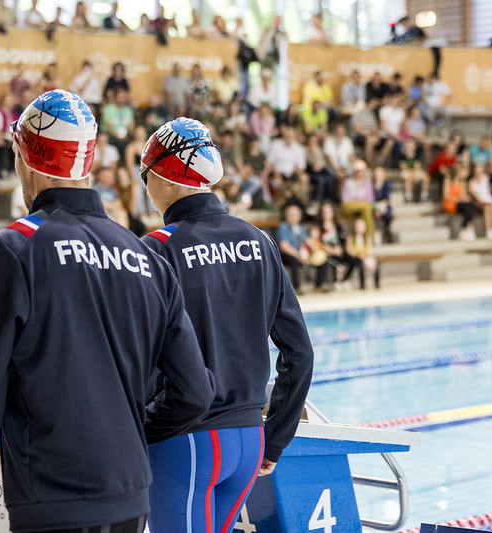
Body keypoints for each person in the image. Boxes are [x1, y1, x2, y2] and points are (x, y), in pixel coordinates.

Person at [0, 90, 214, 533]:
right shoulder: (146, 257)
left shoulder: (12, 252)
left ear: (24, 155)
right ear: (88, 162)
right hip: (131, 499)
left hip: (53, 502)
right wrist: (130, 433)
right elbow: (194, 391)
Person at [139, 118, 313, 531]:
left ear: (165, 175)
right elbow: (300, 352)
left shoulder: (158, 248)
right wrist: (277, 435)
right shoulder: (258, 240)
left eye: (145, 175)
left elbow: (134, 356)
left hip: (185, 442)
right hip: (250, 444)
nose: (145, 187)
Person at [341, 159, 376, 241]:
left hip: (362, 209)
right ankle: (371, 237)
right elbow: (346, 199)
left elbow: (371, 199)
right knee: (366, 207)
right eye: (357, 172)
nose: (359, 174)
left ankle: (366, 239)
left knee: (366, 210)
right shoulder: (348, 183)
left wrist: (359, 202)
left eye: (361, 172)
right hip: (349, 207)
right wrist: (360, 202)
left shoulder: (368, 184)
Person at [443, 164, 478, 241]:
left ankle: (465, 228)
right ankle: (467, 228)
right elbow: (446, 195)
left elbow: (462, 195)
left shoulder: (463, 182)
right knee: (469, 207)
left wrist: (466, 198)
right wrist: (459, 199)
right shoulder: (448, 179)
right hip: (450, 204)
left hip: (459, 203)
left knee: (471, 206)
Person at [468, 163, 492, 241]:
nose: (479, 173)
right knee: (487, 208)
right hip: (480, 202)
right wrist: (485, 202)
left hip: (488, 200)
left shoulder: (485, 178)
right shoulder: (471, 182)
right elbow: (476, 197)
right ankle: (489, 230)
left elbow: (488, 191)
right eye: (477, 172)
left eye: (480, 171)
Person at [346, 218, 380, 289]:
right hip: (355, 257)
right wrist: (359, 255)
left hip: (365, 256)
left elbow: (369, 250)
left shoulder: (367, 239)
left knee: (376, 262)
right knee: (360, 264)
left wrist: (369, 258)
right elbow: (349, 250)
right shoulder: (351, 238)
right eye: (358, 226)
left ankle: (376, 283)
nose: (359, 229)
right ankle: (362, 284)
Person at [400, 137, 428, 202]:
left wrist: (414, 174)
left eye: (411, 145)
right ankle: (408, 197)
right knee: (408, 178)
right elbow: (403, 167)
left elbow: (418, 166)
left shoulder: (417, 155)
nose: (410, 147)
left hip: (415, 171)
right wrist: (412, 174)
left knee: (426, 177)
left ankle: (424, 196)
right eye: (408, 145)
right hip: (406, 172)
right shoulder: (402, 155)